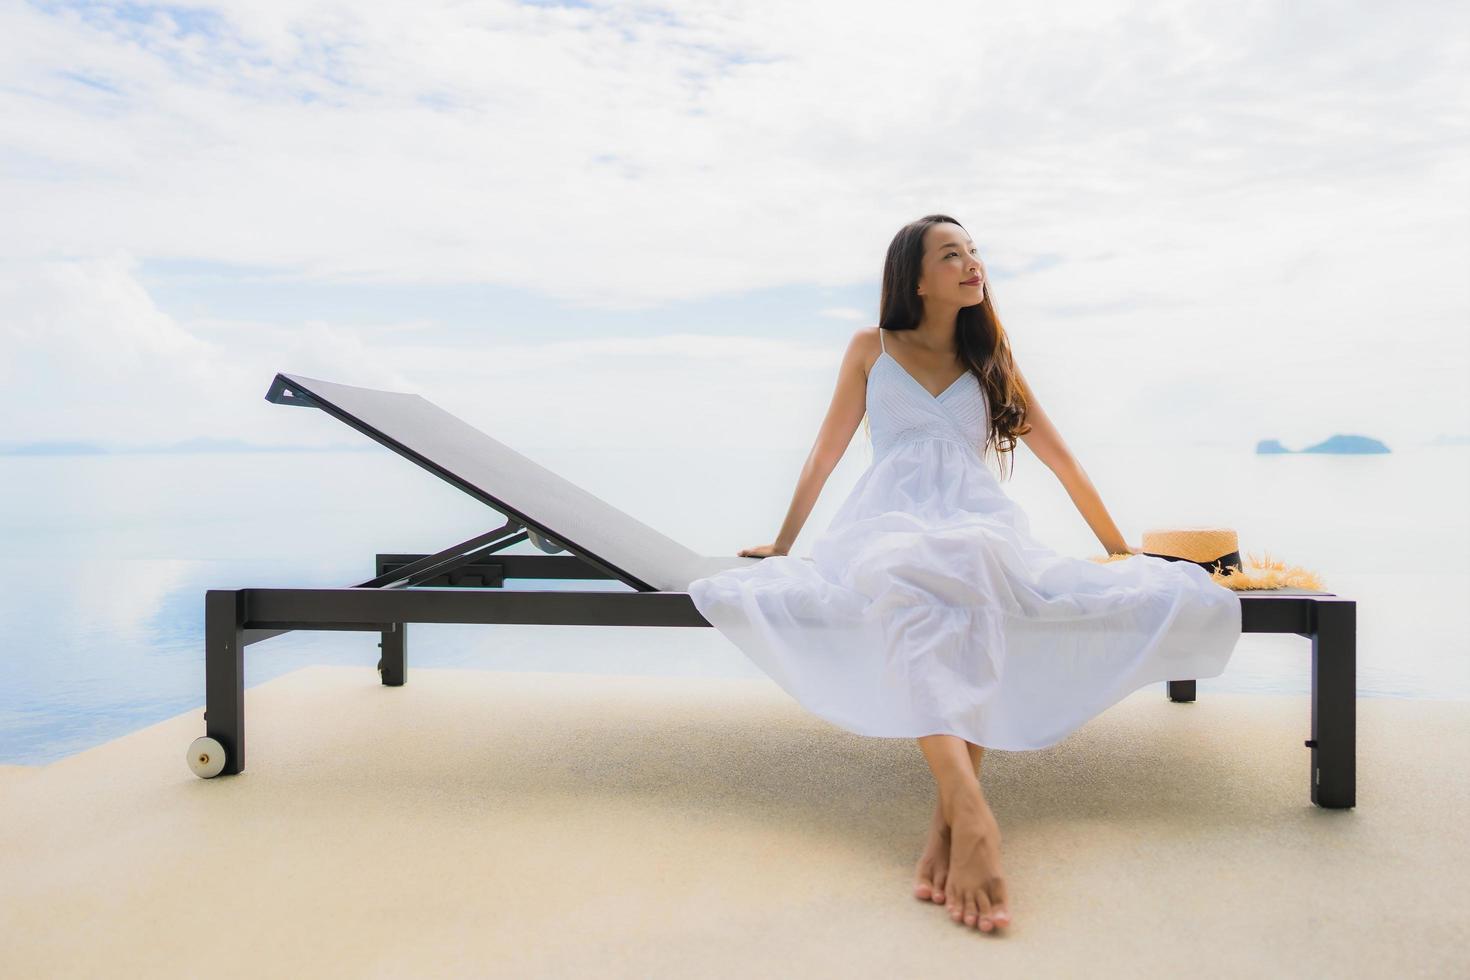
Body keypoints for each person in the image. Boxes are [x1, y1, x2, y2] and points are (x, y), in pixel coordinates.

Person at [686, 214, 1242, 935]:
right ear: (915, 278)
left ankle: (952, 819)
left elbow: (1062, 460)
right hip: (883, 521)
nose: (973, 264)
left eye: (974, 253)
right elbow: (823, 455)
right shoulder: (871, 348)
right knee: (912, 569)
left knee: (972, 566)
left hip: (976, 521)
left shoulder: (992, 359)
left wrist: (1118, 550)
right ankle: (968, 807)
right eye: (953, 255)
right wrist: (785, 545)